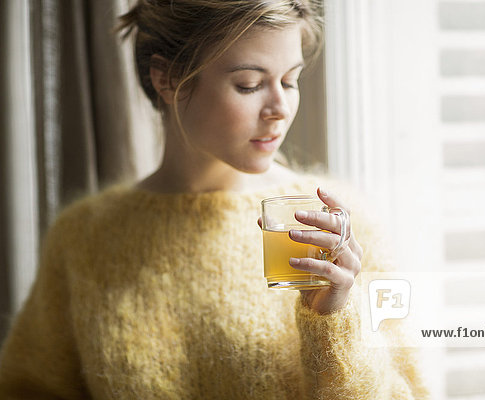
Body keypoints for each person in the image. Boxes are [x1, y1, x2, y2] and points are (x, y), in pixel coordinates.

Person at [0, 1, 429, 399]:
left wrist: (336, 320)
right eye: (250, 84)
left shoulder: (338, 227)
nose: (280, 107)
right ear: (165, 79)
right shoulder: (84, 237)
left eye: (290, 80)